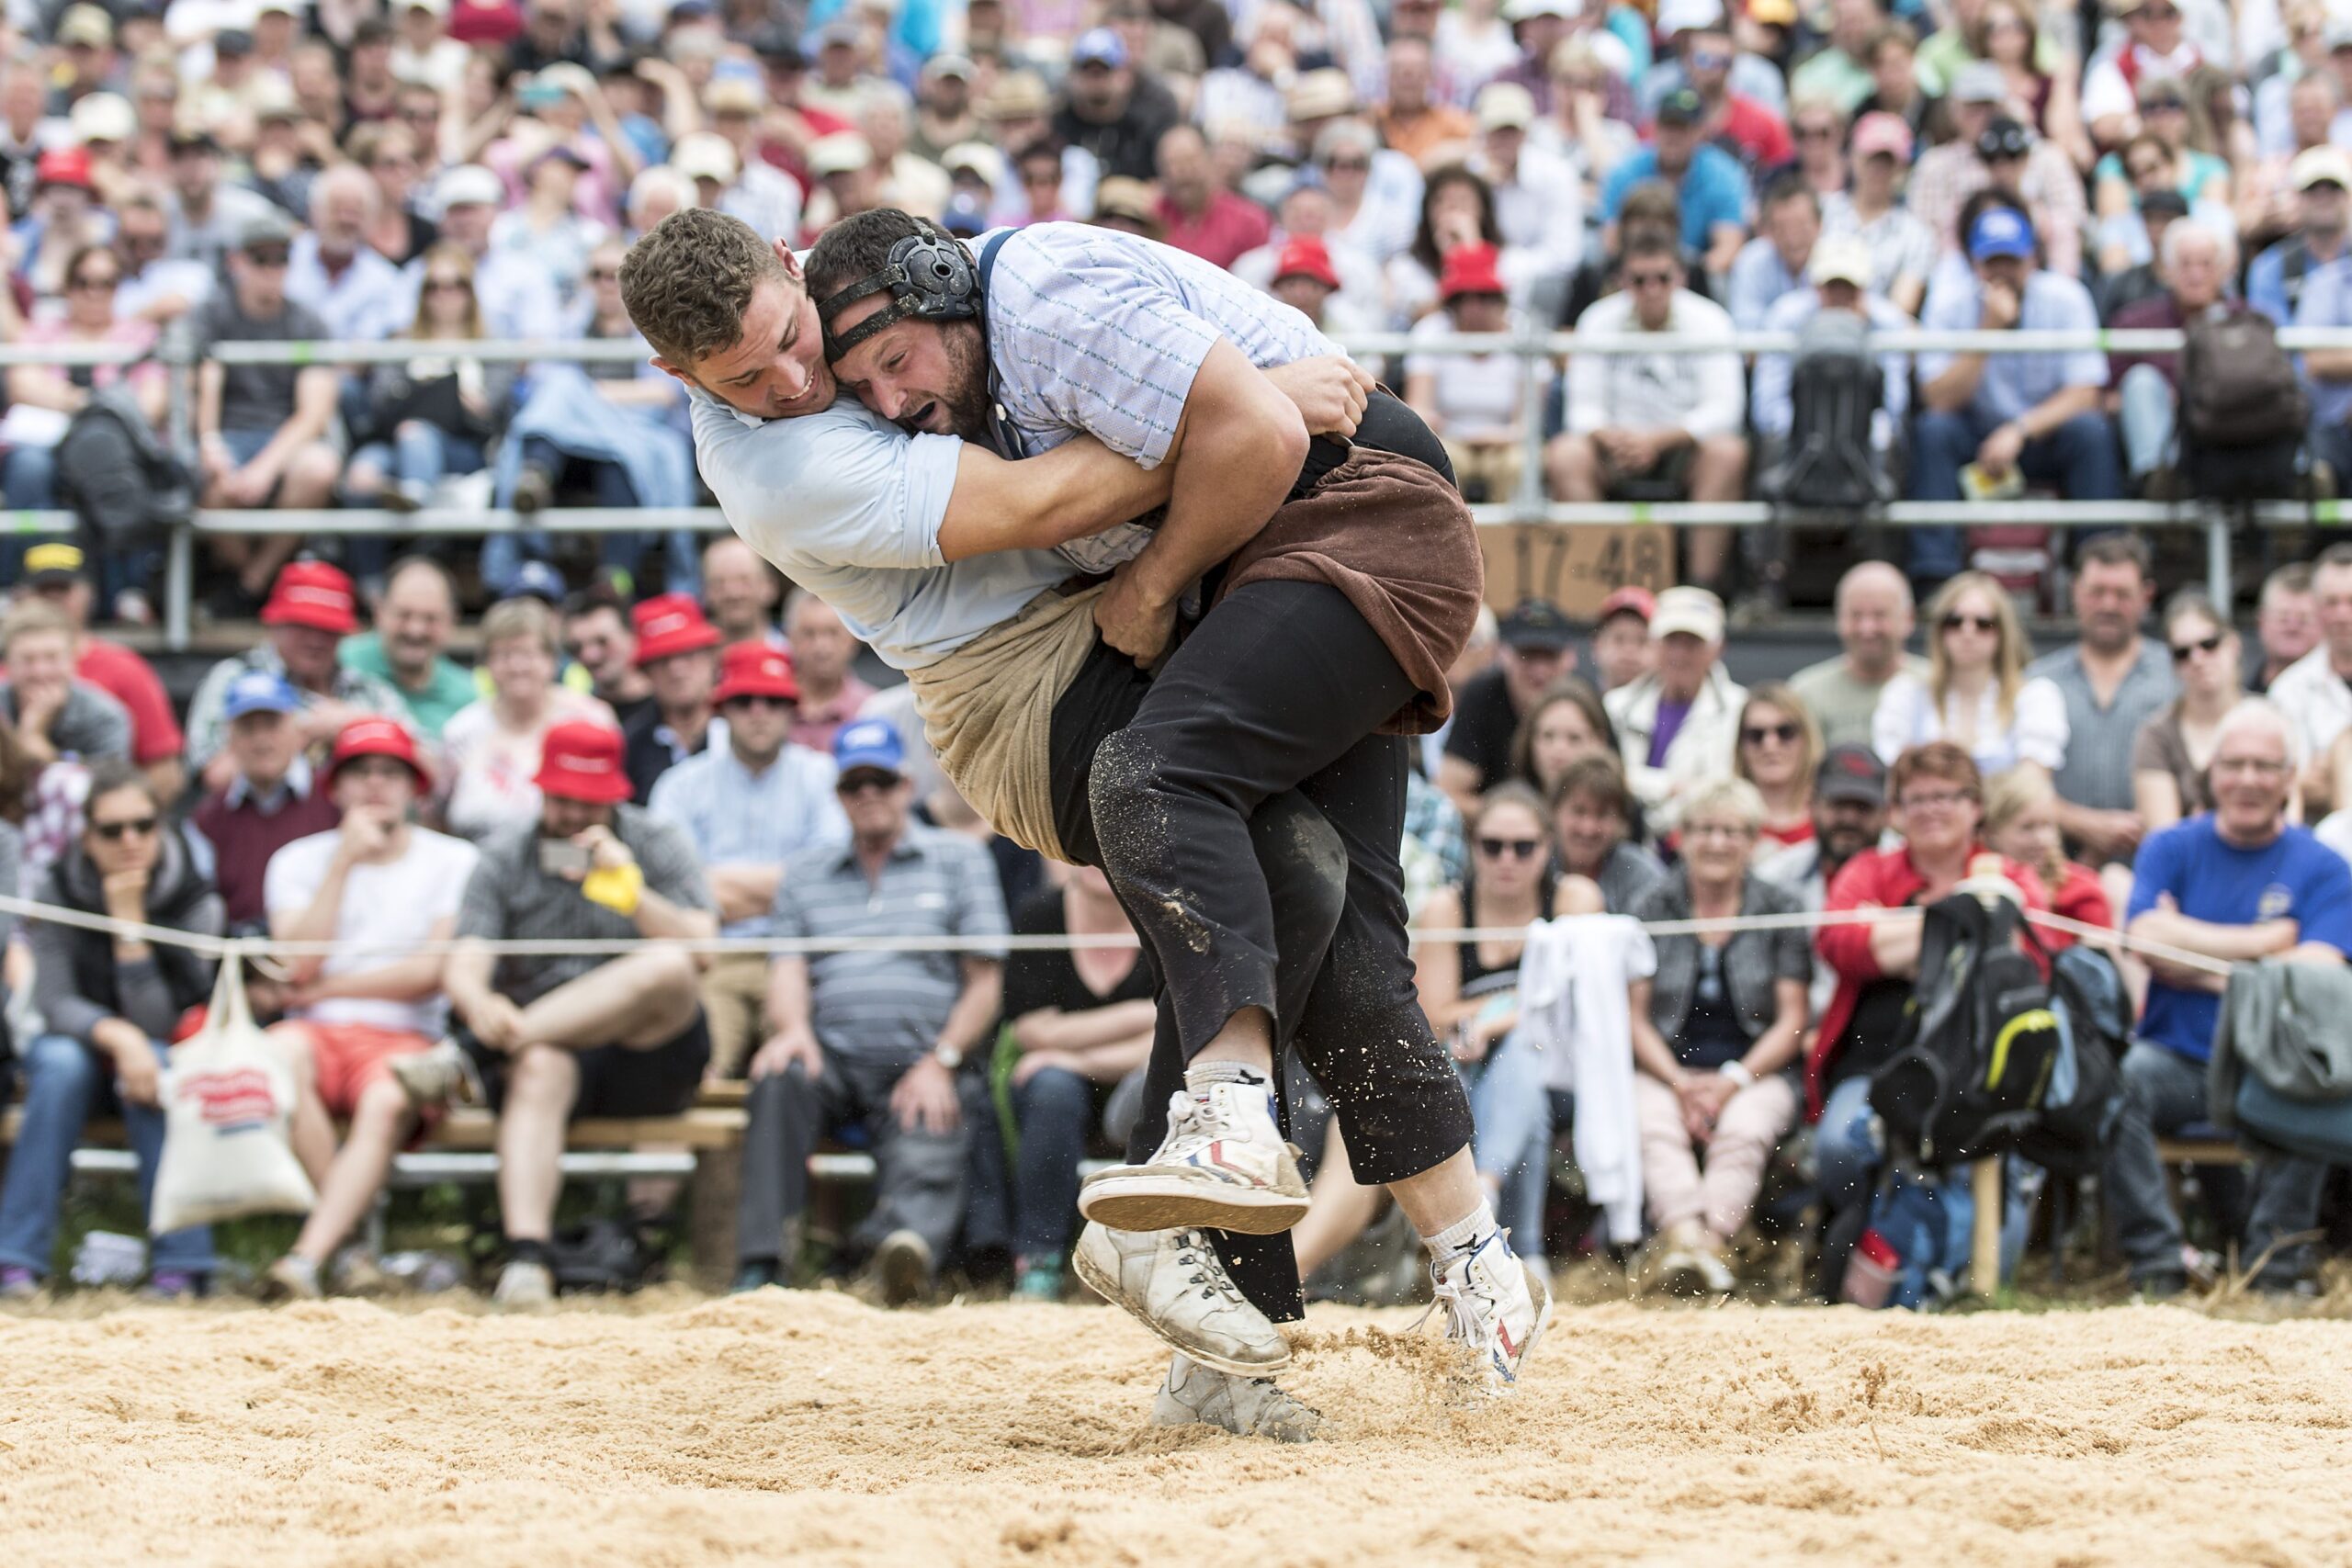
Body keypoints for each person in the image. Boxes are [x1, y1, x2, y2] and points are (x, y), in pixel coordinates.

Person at [627, 206, 1535, 1420]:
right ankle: (1228, 1204)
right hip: (1030, 681)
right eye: (746, 378)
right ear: (677, 378)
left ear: (795, 269)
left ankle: (1329, 1299)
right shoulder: (778, 464)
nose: (800, 384)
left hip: (1190, 581)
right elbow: (1041, 503)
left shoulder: (923, 303)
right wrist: (1254, 401)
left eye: (795, 341)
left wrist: (1235, 418)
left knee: (1329, 907)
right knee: (1280, 863)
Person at [407, 719, 719, 1309]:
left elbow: (703, 950)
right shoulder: (504, 854)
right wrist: (478, 1002)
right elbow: (465, 962)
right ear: (541, 792)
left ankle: (469, 1058)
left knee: (668, 966)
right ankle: (526, 1261)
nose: (574, 812)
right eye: (562, 797)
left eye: (588, 801)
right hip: (544, 1056)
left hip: (648, 1056)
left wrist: (629, 889)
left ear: (616, 796)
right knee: (541, 1062)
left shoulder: (656, 841)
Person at [736, 719, 1005, 1302]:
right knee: (776, 1076)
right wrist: (792, 1032)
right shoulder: (805, 872)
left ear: (907, 786)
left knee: (937, 1110)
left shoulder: (959, 860)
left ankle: (899, 1257)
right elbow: (785, 967)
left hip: (924, 1051)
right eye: (854, 784)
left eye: (880, 781)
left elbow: (985, 982)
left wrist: (943, 1059)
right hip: (830, 1051)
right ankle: (761, 1264)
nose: (868, 795)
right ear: (837, 795)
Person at [2115, 701, 2351, 1296]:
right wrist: (2267, 946)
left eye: (2265, 765)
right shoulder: (2169, 846)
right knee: (2119, 1086)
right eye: (2235, 763)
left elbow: (2318, 969)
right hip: (2179, 1060)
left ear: (2290, 776)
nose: (2248, 779)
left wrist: (2189, 952)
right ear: (2211, 771)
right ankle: (2159, 1268)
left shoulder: (2326, 867)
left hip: (2272, 1066)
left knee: (2321, 1092)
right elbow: (2142, 938)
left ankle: (2275, 1270)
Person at [257, 718, 478, 1301]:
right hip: (315, 1034)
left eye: (390, 772)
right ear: (334, 788)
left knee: (385, 1100)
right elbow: (295, 965)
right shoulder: (298, 860)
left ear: (415, 787)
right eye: (360, 773)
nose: (375, 786)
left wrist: (326, 990)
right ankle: (351, 1249)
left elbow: (431, 973)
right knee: (275, 1058)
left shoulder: (454, 860)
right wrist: (343, 863)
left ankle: (306, 1258)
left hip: (407, 1036)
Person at [1808, 743, 2057, 1223]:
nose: (1931, 810)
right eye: (1917, 799)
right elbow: (1841, 945)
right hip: (1874, 1063)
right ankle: (1878, 1245)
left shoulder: (2012, 876)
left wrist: (1888, 932)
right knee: (1839, 1146)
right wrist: (1960, 927)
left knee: (1988, 1231)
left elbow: (2035, 959)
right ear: (1897, 811)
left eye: (1946, 796)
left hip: (1982, 1074)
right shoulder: (1869, 870)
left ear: (1976, 807)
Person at [0, 762, 219, 1299]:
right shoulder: (56, 887)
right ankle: (16, 1262)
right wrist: (118, 1037)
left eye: (143, 826)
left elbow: (163, 1023)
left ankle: (181, 1265)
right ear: (86, 837)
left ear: (162, 827)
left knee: (161, 1064)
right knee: (59, 1063)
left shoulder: (196, 898)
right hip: (81, 1049)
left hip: (160, 1056)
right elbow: (51, 1003)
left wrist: (128, 931)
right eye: (112, 830)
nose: (130, 841)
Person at [1628, 777, 1809, 1297]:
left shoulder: (1782, 905)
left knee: (1745, 1130)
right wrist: (1679, 1082)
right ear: (1682, 837)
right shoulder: (1651, 906)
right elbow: (1635, 1018)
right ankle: (1692, 1241)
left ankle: (1703, 1245)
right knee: (1651, 1123)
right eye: (1704, 829)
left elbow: (1791, 1020)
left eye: (1732, 831)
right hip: (1667, 1067)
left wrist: (1731, 1081)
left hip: (1755, 1069)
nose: (1716, 842)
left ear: (1752, 842)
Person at [1408, 784, 1596, 1282]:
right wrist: (1492, 1020)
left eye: (1523, 847)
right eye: (1492, 846)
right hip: (1480, 1069)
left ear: (1548, 847)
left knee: (1527, 1046)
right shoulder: (1448, 907)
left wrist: (1489, 1020)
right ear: (1472, 848)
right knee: (1515, 1087)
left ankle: (1479, 1197)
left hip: (1565, 1068)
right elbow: (1433, 1012)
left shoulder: (1574, 897)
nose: (1507, 860)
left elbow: (1570, 997)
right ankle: (1526, 1253)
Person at [648, 641, 849, 1079]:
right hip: (712, 956)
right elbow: (675, 890)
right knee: (694, 1076)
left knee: (800, 1076)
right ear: (722, 709)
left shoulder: (824, 775)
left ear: (792, 708)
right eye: (744, 701)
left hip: (806, 955)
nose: (759, 711)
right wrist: (784, 884)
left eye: (773, 701)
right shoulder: (679, 784)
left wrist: (714, 887)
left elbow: (825, 883)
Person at [1909, 205, 2119, 585]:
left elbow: (2086, 392)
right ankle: (1935, 576)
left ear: (2032, 259)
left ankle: (2102, 570)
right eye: (1992, 262)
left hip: (2042, 434)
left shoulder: (2067, 297)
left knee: (2092, 432)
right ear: (1975, 264)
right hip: (1976, 432)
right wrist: (1986, 333)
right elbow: (1937, 397)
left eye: (2012, 261)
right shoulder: (1950, 303)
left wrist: (2019, 431)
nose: (2002, 272)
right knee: (1933, 431)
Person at [1549, 234, 1747, 592]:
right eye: (1640, 280)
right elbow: (1581, 410)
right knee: (1566, 454)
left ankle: (1704, 588)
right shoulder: (1596, 320)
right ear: (1623, 281)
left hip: (1684, 449)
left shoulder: (1711, 320)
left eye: (1663, 278)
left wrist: (1658, 440)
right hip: (1614, 448)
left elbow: (1725, 409)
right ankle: (1594, 588)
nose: (1652, 289)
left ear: (1681, 277)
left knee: (1727, 453)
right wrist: (1616, 439)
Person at [1000, 861, 1158, 1301]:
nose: (1091, 856)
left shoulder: (1165, 914)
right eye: (1078, 844)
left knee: (1158, 1086)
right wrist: (1143, 1015)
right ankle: (1039, 1262)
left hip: (1140, 1080)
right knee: (1051, 1090)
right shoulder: (1039, 916)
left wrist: (1071, 1055)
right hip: (1057, 1093)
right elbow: (1031, 1031)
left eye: (1101, 842)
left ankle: (1142, 1263)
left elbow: (1175, 1034)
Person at [191, 212, 343, 612]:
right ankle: (264, 579)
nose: (272, 268)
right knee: (208, 483)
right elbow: (206, 381)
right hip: (230, 434)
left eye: (282, 258)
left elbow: (314, 412)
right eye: (261, 258)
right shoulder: (212, 313)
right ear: (237, 262)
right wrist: (210, 443)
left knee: (319, 467)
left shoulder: (307, 321)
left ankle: (253, 584)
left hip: (284, 438)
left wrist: (266, 467)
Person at [184, 559, 406, 793]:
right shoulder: (233, 677)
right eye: (303, 626)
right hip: (255, 824)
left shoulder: (367, 688)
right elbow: (215, 778)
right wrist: (304, 730)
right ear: (274, 622)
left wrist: (358, 723)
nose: (316, 640)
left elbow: (427, 764)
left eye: (328, 630)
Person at [2027, 535, 2175, 869]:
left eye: (2122, 594)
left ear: (2146, 596)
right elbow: (2019, 784)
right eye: (2097, 592)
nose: (2108, 605)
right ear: (2075, 591)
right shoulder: (2038, 681)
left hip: (2156, 863)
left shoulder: (2176, 676)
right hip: (2055, 863)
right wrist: (2084, 824)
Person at [440, 598, 616, 841]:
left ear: (551, 660)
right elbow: (438, 817)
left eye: (527, 653)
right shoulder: (461, 730)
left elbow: (612, 812)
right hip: (475, 863)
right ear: (487, 664)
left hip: (569, 862)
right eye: (504, 655)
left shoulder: (590, 718)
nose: (517, 666)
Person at [16, 546, 180, 797]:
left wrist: (129, 828)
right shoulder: (7, 676)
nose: (53, 601)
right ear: (23, 596)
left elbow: (164, 771)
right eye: (43, 591)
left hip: (101, 813)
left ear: (87, 593)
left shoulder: (124, 669)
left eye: (63, 589)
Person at [1872, 570, 2068, 781]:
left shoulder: (2034, 697)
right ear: (1940, 630)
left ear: (2003, 632)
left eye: (1984, 623)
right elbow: (1898, 784)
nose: (1968, 631)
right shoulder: (1905, 695)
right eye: (1955, 621)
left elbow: (2031, 789)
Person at [1603, 586, 1747, 836]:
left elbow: (1722, 794)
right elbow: (1604, 778)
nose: (1680, 653)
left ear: (1718, 648)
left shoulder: (1741, 709)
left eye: (1693, 642)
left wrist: (1635, 783)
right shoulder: (1614, 705)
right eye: (1672, 641)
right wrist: (1669, 787)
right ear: (1655, 644)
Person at [1439, 598, 1577, 810]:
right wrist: (1516, 820)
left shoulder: (1584, 702)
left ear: (1570, 659)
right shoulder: (1482, 696)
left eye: (1550, 656)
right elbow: (1448, 792)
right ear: (1503, 655)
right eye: (1527, 655)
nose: (1539, 671)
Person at [1598, 87, 1751, 276]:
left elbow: (1728, 248)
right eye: (1667, 126)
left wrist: (1679, 280)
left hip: (1695, 272)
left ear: (1700, 132)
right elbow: (1612, 243)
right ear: (1655, 128)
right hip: (1633, 274)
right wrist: (1643, 278)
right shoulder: (1625, 171)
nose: (1673, 136)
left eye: (1682, 128)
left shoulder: (1724, 174)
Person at [2254, 543, 2352, 815]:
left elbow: (2309, 784)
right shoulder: (2288, 690)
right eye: (2332, 602)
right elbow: (2285, 787)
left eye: (2351, 601)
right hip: (2321, 843)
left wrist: (2331, 772)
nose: (2342, 615)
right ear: (2317, 607)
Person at [1790, 563, 1929, 752]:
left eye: (1880, 615)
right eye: (1856, 615)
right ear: (1838, 619)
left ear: (1908, 618)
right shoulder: (1805, 694)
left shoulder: (1934, 684)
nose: (1867, 628)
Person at [2132, 591, 2243, 832]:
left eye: (2209, 644)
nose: (2197, 658)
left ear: (2234, 644)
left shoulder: (2268, 720)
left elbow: (2288, 825)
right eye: (2182, 653)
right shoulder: (2157, 735)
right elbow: (2164, 841)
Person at [336, 557, 476, 739]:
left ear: (452, 621)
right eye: (404, 615)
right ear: (379, 611)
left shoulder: (467, 697)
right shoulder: (339, 662)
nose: (415, 630)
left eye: (430, 618)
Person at [1821, 110, 1935, 315]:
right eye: (1871, 160)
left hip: (1880, 338)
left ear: (1902, 168)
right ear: (1853, 158)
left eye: (1887, 163)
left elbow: (1902, 308)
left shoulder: (1916, 234)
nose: (1878, 170)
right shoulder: (1821, 210)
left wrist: (1864, 311)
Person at [620, 592, 724, 802]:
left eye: (687, 654)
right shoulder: (631, 744)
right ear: (646, 672)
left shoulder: (740, 724)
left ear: (711, 658)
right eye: (662, 660)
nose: (676, 670)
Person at [1983, 768, 2113, 931]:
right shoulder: (1978, 885)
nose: (2041, 839)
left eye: (2047, 825)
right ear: (1991, 833)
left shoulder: (2082, 889)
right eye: (2027, 828)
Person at [1550, 753, 1668, 911]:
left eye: (1602, 814)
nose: (1588, 828)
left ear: (1621, 820)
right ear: (1555, 811)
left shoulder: (1641, 875)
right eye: (1579, 811)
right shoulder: (1532, 862)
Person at [783, 590, 876, 751]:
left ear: (853, 639)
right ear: (790, 638)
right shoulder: (769, 704)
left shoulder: (871, 708)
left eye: (833, 633)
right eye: (809, 634)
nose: (821, 646)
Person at [1735, 684, 1821, 856]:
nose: (1770, 746)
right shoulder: (1721, 814)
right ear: (1740, 745)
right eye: (1756, 735)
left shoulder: (1829, 815)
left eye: (1785, 732)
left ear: (1806, 739)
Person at [560, 585, 655, 728]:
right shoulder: (580, 717)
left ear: (632, 636)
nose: (589, 656)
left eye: (602, 642)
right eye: (577, 648)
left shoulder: (670, 709)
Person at [1506, 676, 1614, 798]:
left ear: (1599, 742)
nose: (1559, 749)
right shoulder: (1511, 808)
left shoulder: (1622, 809)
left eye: (1574, 738)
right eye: (1548, 736)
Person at [703, 536, 785, 651]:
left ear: (769, 585)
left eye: (744, 581)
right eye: (720, 583)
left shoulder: (796, 657)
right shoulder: (692, 664)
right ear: (706, 591)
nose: (733, 593)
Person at [2249, 563, 2318, 696]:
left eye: (2304, 620)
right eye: (2283, 618)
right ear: (2261, 622)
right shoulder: (2239, 693)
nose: (2292, 627)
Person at [1588, 586, 1655, 694]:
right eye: (1619, 639)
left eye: (1642, 641)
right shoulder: (1575, 706)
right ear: (1597, 646)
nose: (1630, 650)